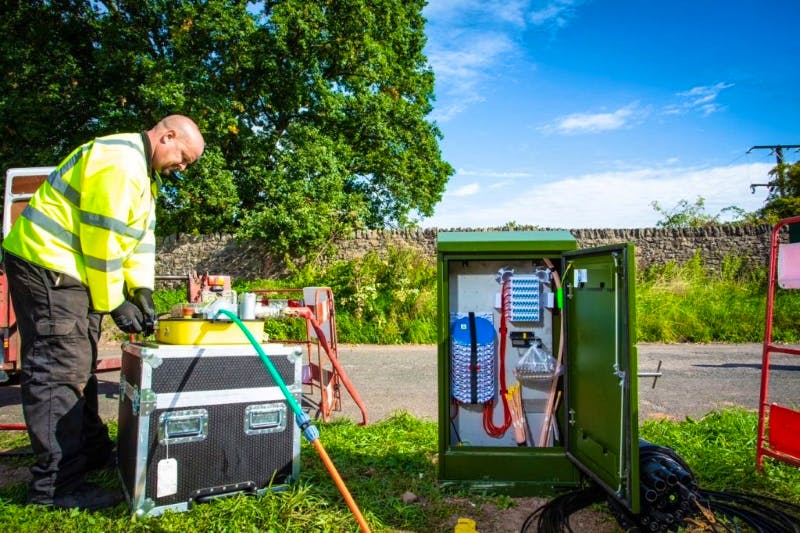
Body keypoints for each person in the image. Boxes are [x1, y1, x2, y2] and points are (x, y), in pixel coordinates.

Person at [2, 115, 205, 510]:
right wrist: (114, 302)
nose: (182, 167)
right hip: (49, 264)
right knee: (59, 368)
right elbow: (103, 240)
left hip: (70, 269)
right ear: (167, 136)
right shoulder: (120, 163)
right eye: (183, 158)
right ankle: (55, 488)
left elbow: (139, 238)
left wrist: (141, 288)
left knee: (79, 362)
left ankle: (91, 452)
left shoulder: (144, 176)